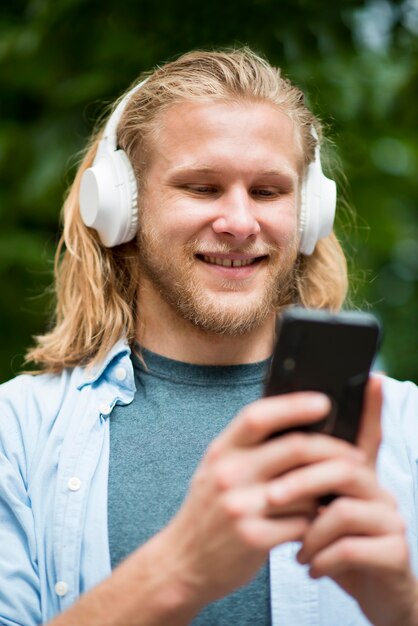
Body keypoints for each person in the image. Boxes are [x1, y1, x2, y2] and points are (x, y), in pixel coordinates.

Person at [1, 48, 417, 626]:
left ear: (309, 214)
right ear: (122, 207)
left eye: (269, 191)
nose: (241, 223)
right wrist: (180, 570)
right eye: (201, 187)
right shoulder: (15, 433)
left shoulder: (406, 429)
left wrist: (403, 604)